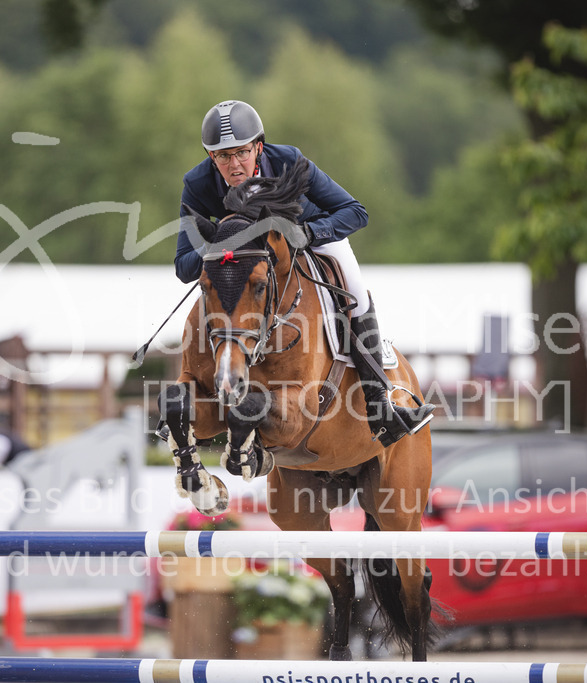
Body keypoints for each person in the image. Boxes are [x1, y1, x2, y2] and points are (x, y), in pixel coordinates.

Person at [177, 100, 434, 446]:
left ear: (258, 147)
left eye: (241, 153)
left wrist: (310, 233)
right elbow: (183, 265)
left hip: (310, 237)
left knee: (354, 290)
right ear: (211, 157)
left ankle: (380, 405)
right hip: (244, 260)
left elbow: (355, 212)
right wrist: (221, 245)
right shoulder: (197, 183)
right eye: (223, 157)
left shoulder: (288, 161)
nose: (234, 164)